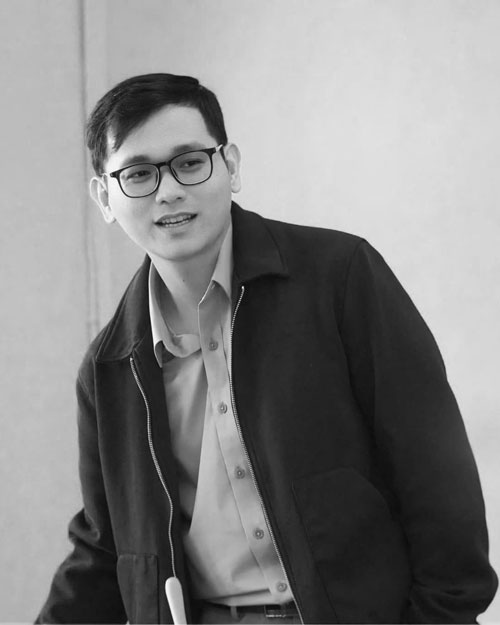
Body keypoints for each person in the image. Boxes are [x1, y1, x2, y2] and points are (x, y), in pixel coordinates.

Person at [36, 73, 497, 625]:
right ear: (104, 198)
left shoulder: (340, 278)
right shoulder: (108, 368)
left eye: (190, 162)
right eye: (138, 174)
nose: (168, 190)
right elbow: (104, 548)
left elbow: (435, 475)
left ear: (230, 166)